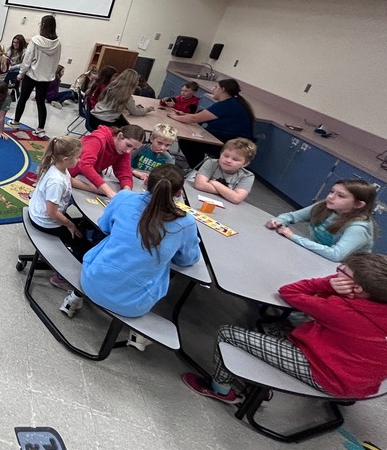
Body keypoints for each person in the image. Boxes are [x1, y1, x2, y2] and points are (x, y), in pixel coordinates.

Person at [183, 253, 387, 403]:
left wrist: (327, 284)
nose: (337, 273)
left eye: (342, 272)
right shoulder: (377, 305)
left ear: (358, 288)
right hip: (358, 377)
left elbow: (289, 292)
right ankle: (254, 379)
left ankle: (221, 390)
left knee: (227, 334)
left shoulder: (343, 310)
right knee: (273, 326)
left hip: (330, 376)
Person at [60, 165, 199, 351]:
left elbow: (104, 226)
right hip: (133, 305)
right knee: (160, 270)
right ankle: (139, 335)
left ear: (145, 181)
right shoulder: (185, 222)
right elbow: (187, 260)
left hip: (91, 280)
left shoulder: (124, 198)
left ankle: (75, 298)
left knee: (111, 246)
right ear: (178, 193)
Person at [265, 179, 376, 262]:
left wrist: (292, 236)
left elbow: (335, 255)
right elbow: (292, 216)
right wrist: (278, 221)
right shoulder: (324, 206)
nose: (331, 197)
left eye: (341, 196)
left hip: (342, 270)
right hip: (315, 255)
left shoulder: (358, 228)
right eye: (332, 191)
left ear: (358, 204)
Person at [170, 78, 255, 168]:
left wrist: (173, 116)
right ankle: (199, 167)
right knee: (193, 137)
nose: (213, 89)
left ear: (222, 90)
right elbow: (203, 115)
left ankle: (198, 169)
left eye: (216, 87)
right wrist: (184, 114)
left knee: (187, 141)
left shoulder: (225, 105)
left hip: (230, 144)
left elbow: (194, 118)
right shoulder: (234, 102)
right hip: (233, 140)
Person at [10, 15, 61, 139]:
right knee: (41, 102)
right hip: (46, 78)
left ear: (43, 26)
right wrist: (51, 75)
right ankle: (41, 129)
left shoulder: (35, 40)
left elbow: (28, 58)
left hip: (32, 75)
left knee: (23, 98)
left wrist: (21, 73)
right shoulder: (57, 43)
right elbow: (56, 61)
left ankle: (16, 122)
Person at [28, 136, 83, 248]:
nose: (79, 160)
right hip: (44, 221)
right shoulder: (56, 182)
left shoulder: (57, 165)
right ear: (66, 159)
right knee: (82, 243)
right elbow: (52, 212)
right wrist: (70, 225)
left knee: (81, 225)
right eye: (77, 157)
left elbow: (69, 180)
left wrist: (94, 188)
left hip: (42, 212)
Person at [69, 124, 145, 199]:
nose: (129, 151)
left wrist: (126, 192)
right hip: (67, 173)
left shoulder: (123, 150)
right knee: (101, 190)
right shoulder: (98, 139)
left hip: (81, 177)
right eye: (128, 145)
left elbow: (124, 173)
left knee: (102, 190)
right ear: (120, 136)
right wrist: (108, 191)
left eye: (134, 149)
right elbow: (85, 165)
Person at [192, 137, 257, 205]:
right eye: (226, 156)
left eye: (235, 159)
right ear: (221, 153)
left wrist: (214, 183)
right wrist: (229, 193)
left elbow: (237, 198)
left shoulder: (248, 176)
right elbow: (200, 185)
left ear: (245, 163)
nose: (228, 160)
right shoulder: (211, 163)